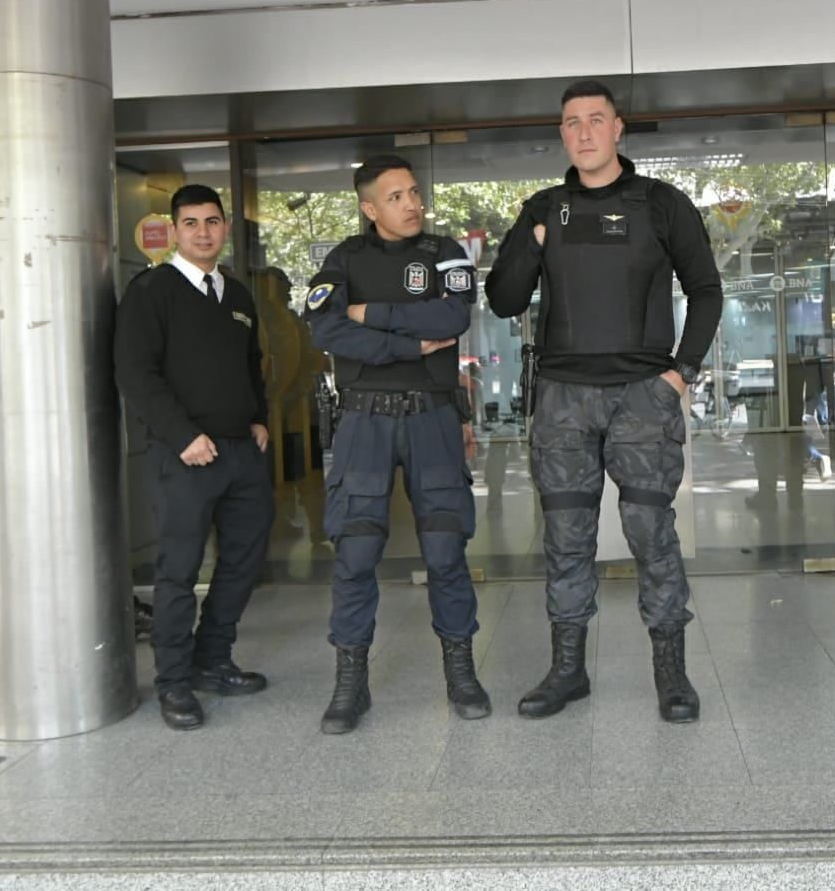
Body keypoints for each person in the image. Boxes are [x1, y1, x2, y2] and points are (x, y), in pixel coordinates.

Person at [485, 79, 723, 724]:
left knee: (651, 532)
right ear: (561, 134)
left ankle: (671, 675)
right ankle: (567, 671)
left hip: (643, 397)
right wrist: (527, 242)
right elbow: (504, 300)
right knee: (565, 538)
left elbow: (705, 290)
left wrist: (681, 374)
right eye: (571, 122)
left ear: (619, 128)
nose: (584, 132)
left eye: (596, 120)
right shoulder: (542, 208)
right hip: (563, 398)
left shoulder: (662, 204)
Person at [303, 155, 489, 734]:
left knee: (444, 550)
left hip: (432, 418)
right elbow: (326, 329)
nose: (412, 204)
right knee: (355, 553)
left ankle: (461, 674)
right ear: (369, 208)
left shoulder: (444, 253)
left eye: (414, 192)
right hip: (364, 423)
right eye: (396, 197)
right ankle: (350, 684)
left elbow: (453, 315)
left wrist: (372, 315)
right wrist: (409, 347)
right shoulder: (343, 259)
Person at [114, 184, 275, 731]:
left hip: (240, 454)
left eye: (212, 221)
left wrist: (259, 419)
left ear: (225, 227)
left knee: (242, 565)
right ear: (175, 231)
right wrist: (183, 435)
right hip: (183, 455)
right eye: (191, 223)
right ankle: (174, 683)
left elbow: (252, 365)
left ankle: (212, 660)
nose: (203, 231)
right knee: (178, 573)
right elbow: (136, 374)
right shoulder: (151, 292)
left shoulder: (236, 295)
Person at [0, 287, 155, 638]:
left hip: (67, 427)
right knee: (2, 532)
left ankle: (113, 612)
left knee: (85, 521)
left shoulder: (66, 289)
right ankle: (21, 632)